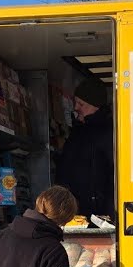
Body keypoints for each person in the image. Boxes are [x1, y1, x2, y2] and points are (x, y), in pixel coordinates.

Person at [56, 78, 114, 218]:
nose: (76, 107)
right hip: (75, 211)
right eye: (76, 102)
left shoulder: (107, 133)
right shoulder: (79, 130)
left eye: (81, 103)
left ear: (96, 106)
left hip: (97, 213)